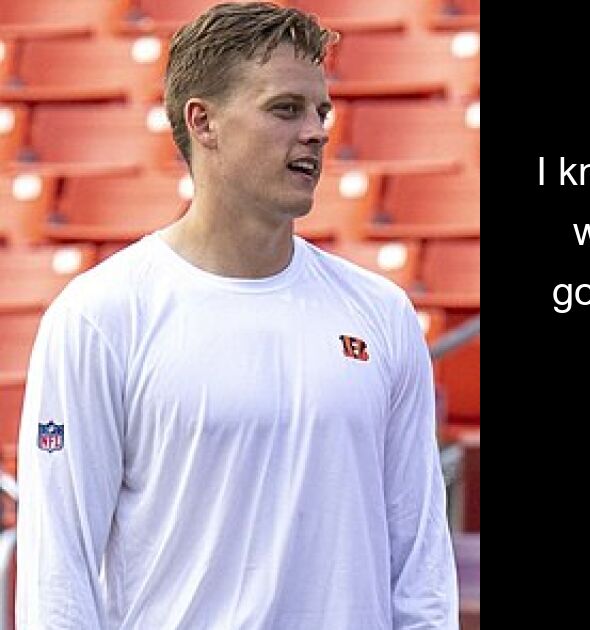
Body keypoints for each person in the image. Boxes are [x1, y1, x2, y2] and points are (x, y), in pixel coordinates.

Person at [16, 3, 458, 628]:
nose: (317, 131)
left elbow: (420, 565)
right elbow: (57, 572)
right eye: (286, 109)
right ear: (204, 122)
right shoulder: (100, 317)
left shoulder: (381, 314)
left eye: (321, 110)